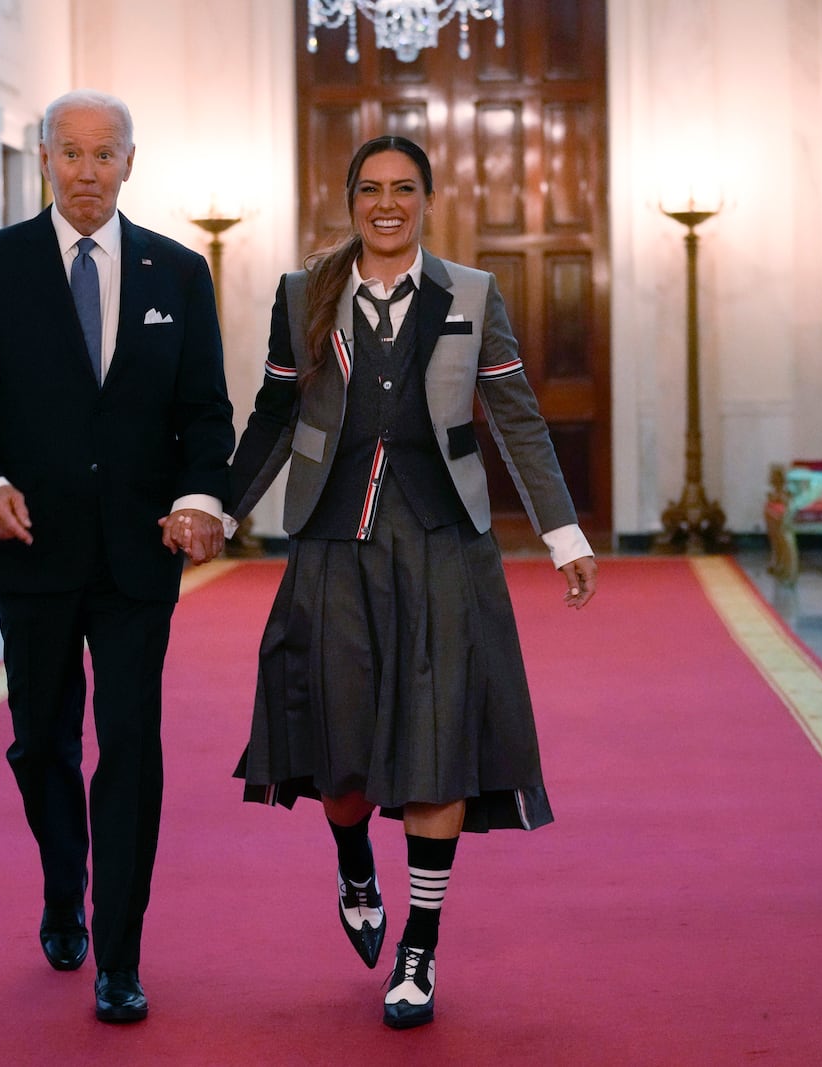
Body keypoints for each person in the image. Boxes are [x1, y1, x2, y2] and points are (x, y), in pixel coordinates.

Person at [226, 135, 597, 1030]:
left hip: (442, 546)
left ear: (427, 199)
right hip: (332, 542)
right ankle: (355, 861)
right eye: (369, 189)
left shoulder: (471, 293)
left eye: (403, 189)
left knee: (439, 743)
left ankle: (419, 949)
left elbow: (515, 413)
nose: (385, 203)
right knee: (340, 748)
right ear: (349, 198)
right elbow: (276, 410)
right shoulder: (302, 291)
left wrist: (563, 531)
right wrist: (219, 504)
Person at [0, 89, 233, 1024]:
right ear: (47, 160)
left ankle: (120, 953)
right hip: (33, 551)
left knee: (131, 748)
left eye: (106, 155)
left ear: (131, 163)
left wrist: (195, 499)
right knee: (42, 743)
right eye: (72, 154)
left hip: (140, 557)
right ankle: (65, 886)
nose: (88, 171)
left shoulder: (177, 273)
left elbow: (206, 414)